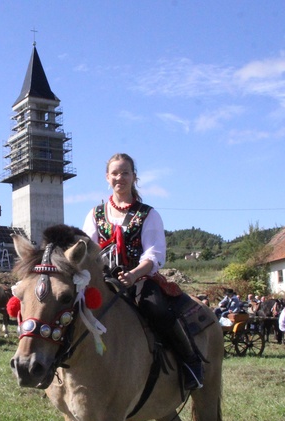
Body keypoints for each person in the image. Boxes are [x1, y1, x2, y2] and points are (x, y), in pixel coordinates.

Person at [82, 152, 203, 390]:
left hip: (140, 279)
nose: (120, 178)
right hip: (103, 280)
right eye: (115, 173)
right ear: (107, 178)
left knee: (157, 309)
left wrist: (134, 275)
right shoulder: (95, 214)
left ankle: (190, 363)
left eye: (125, 172)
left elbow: (154, 254)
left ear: (134, 177)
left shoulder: (148, 214)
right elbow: (88, 250)